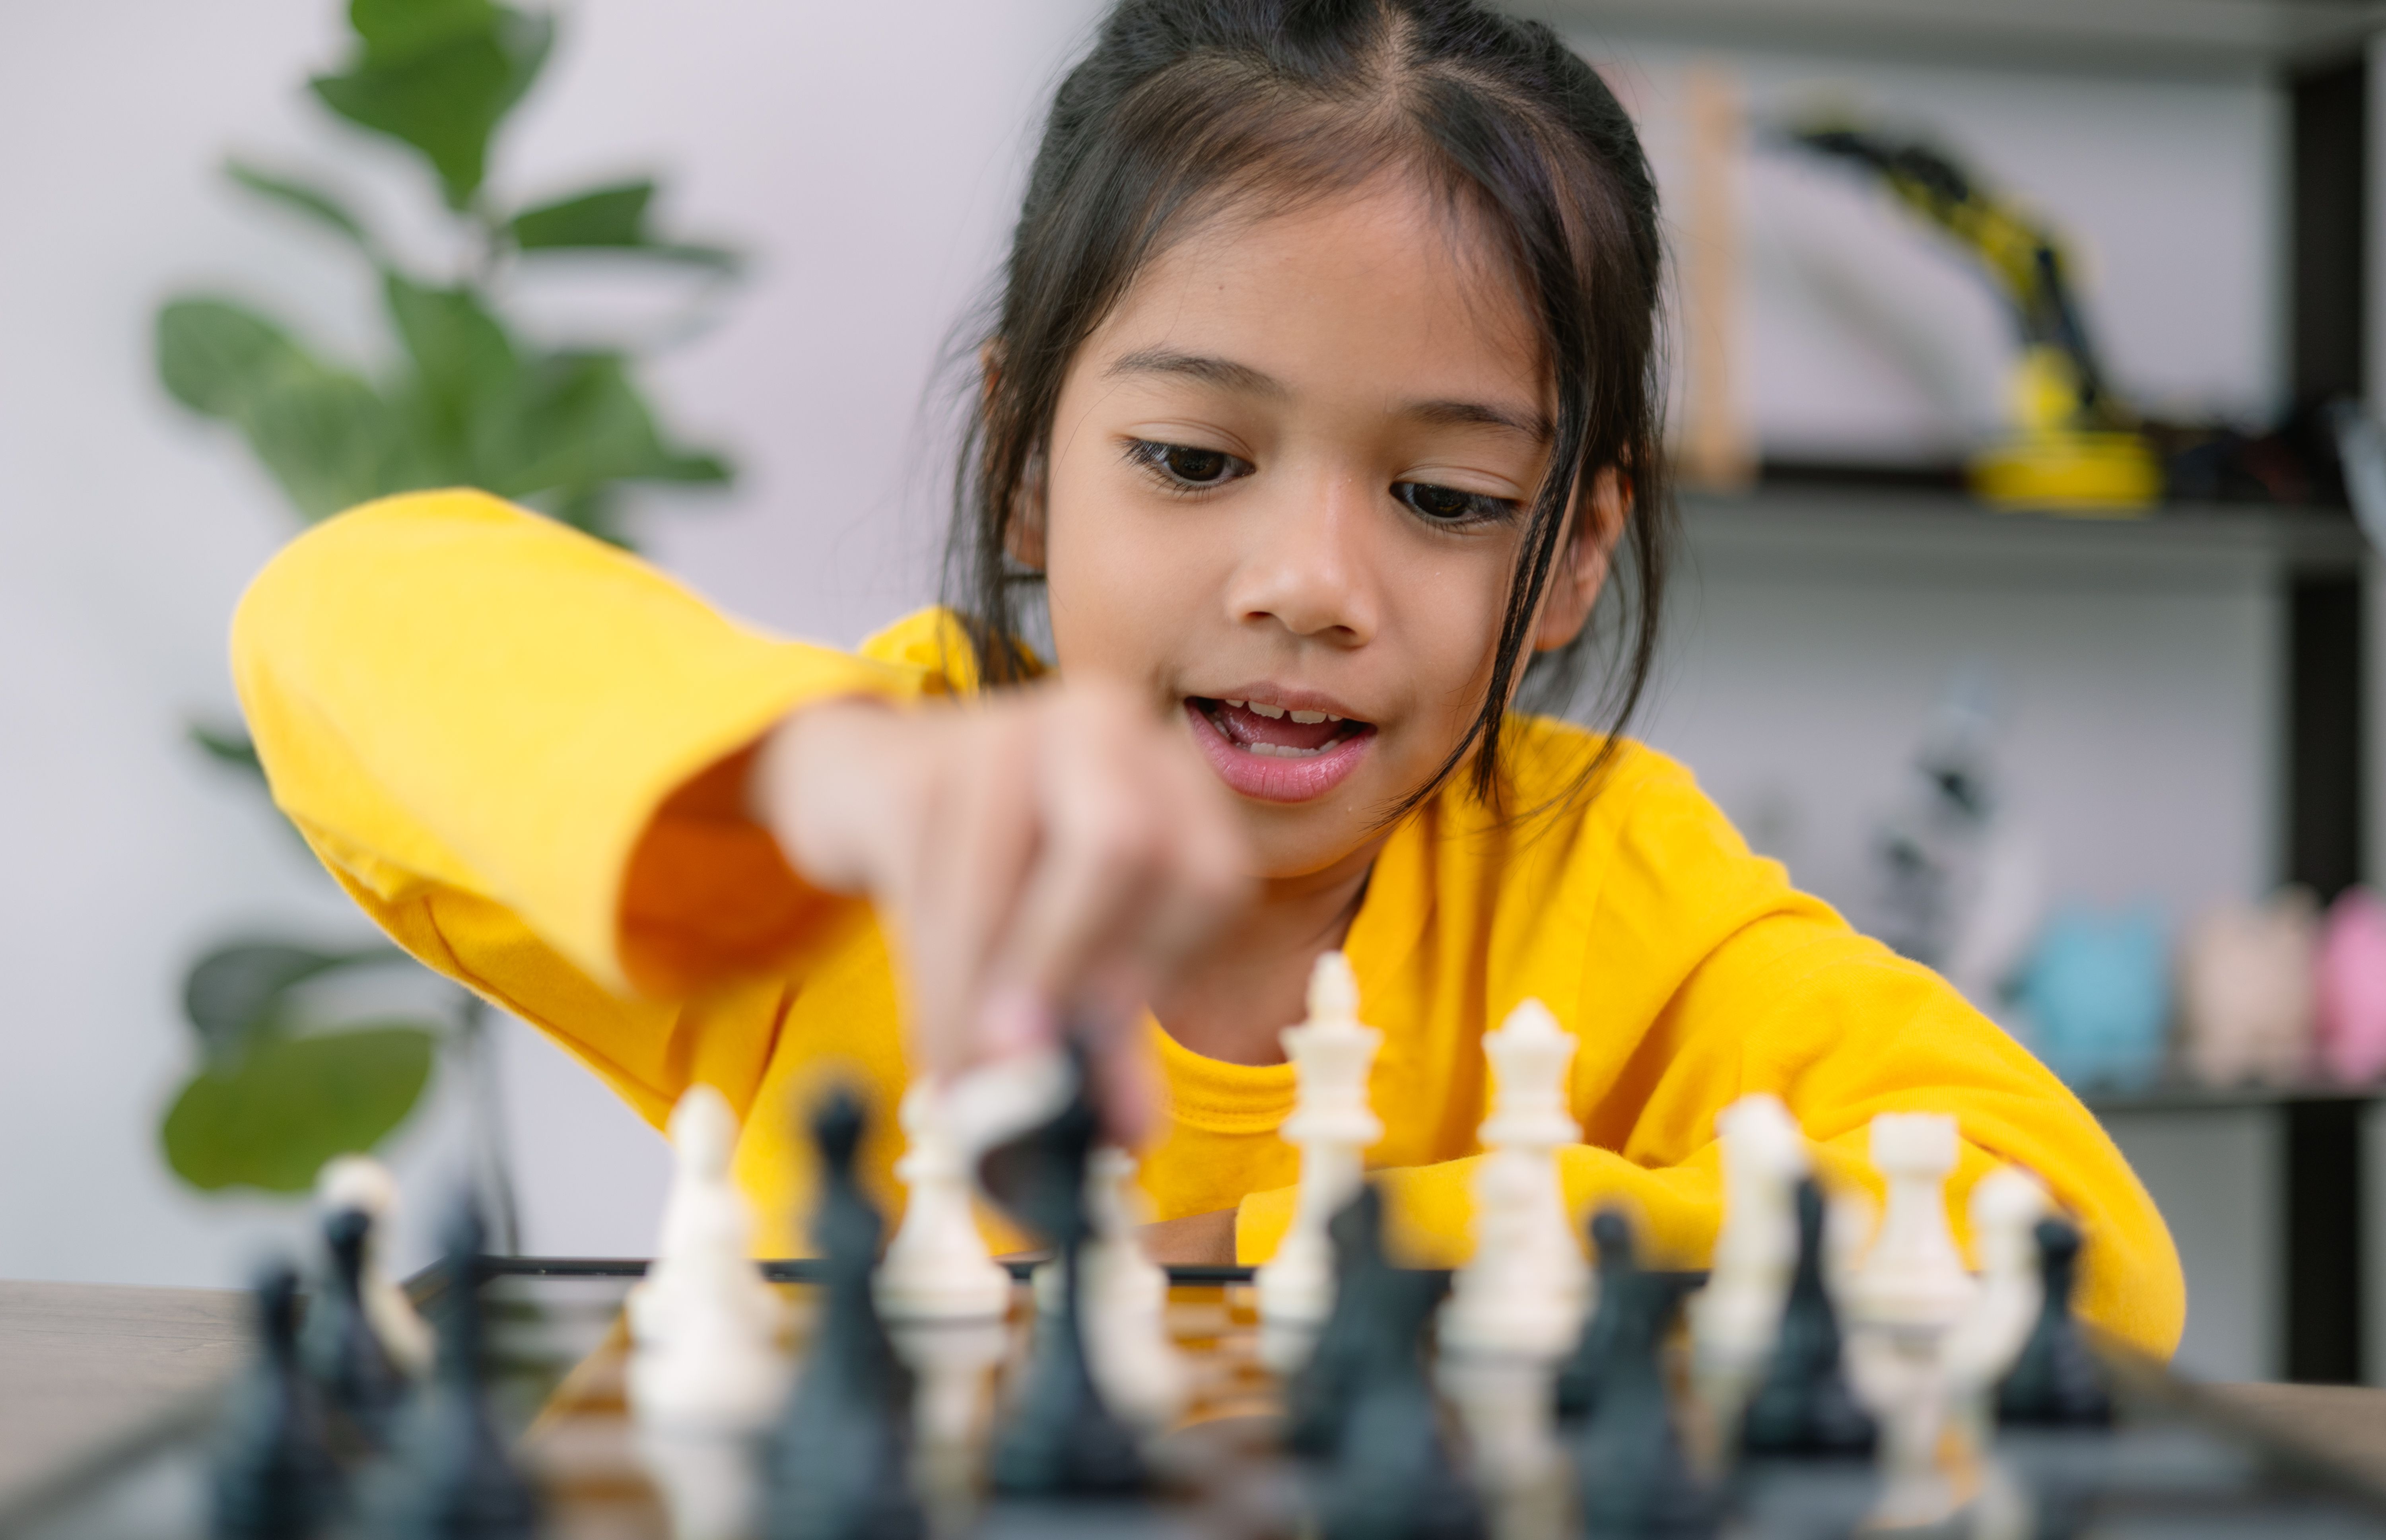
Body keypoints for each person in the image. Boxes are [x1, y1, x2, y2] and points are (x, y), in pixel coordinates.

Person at [232, 0, 2184, 1355]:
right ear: (1024, 457)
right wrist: (809, 791)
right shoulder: (851, 828)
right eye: (1190, 460)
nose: (1309, 584)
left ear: (1573, 550)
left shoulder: (1610, 893)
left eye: (1442, 494)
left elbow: (2078, 1246)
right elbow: (335, 622)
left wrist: (1302, 1255)